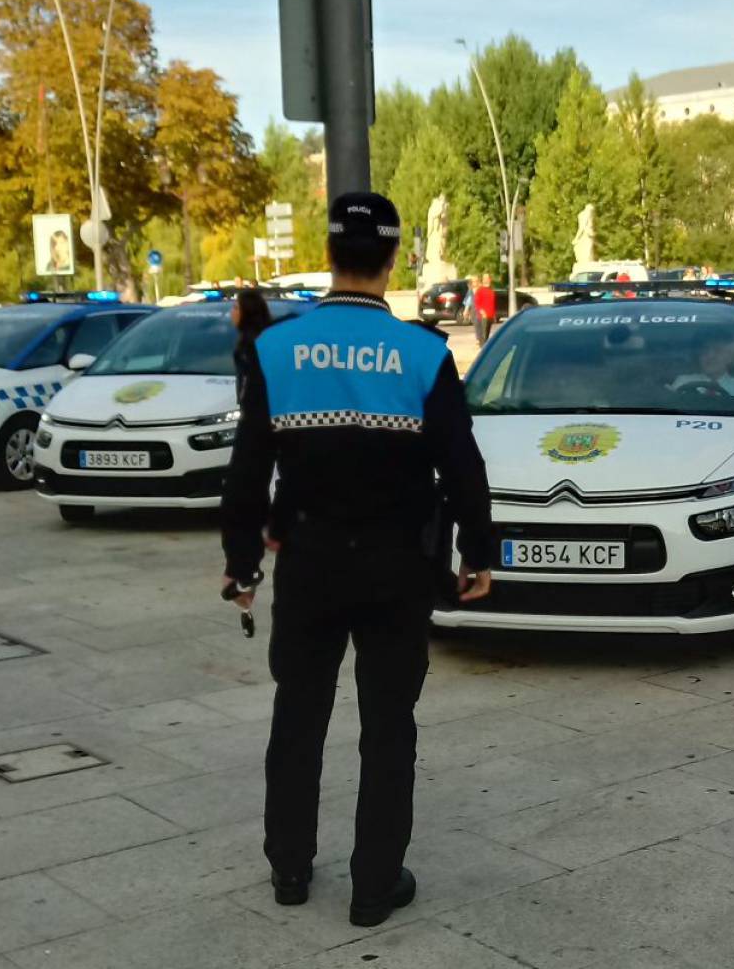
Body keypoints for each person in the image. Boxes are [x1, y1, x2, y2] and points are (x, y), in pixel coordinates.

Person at [220, 191, 493, 928]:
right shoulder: (425, 354)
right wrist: (480, 550)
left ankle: (289, 866)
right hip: (396, 565)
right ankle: (374, 884)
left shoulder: (277, 349)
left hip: (308, 562)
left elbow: (247, 474)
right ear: (395, 259)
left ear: (330, 252)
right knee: (389, 723)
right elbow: (462, 464)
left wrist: (242, 564)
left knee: (298, 714)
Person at [670, 333, 734, 399]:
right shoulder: (683, 382)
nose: (710, 355)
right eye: (705, 350)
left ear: (730, 357)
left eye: (718, 350)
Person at [231, 287, 272, 402]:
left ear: (247, 311)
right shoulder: (259, 338)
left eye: (236, 308)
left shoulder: (250, 345)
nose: (232, 312)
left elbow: (249, 383)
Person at [473, 272, 496, 346]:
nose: (486, 280)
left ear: (490, 279)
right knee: (484, 336)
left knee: (487, 334)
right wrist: (482, 312)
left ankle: (484, 349)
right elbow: (477, 303)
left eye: (487, 278)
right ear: (482, 280)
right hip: (483, 316)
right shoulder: (480, 290)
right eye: (484, 278)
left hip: (490, 315)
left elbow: (493, 303)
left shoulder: (491, 290)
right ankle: (483, 351)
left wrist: (494, 315)